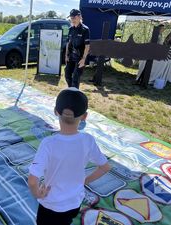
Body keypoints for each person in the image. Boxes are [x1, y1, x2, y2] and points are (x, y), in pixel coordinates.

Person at [28, 88, 110, 225]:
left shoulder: (48, 144)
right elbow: (105, 167)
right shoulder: (88, 140)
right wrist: (83, 181)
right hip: (74, 203)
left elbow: (32, 181)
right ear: (84, 116)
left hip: (50, 205)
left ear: (55, 111)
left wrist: (37, 194)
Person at [65, 9, 90, 89]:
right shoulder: (70, 29)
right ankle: (71, 91)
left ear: (79, 17)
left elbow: (87, 46)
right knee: (67, 75)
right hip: (71, 57)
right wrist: (66, 55)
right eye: (71, 18)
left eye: (74, 18)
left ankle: (74, 95)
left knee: (75, 78)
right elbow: (68, 43)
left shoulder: (85, 30)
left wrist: (83, 59)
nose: (72, 20)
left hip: (80, 58)